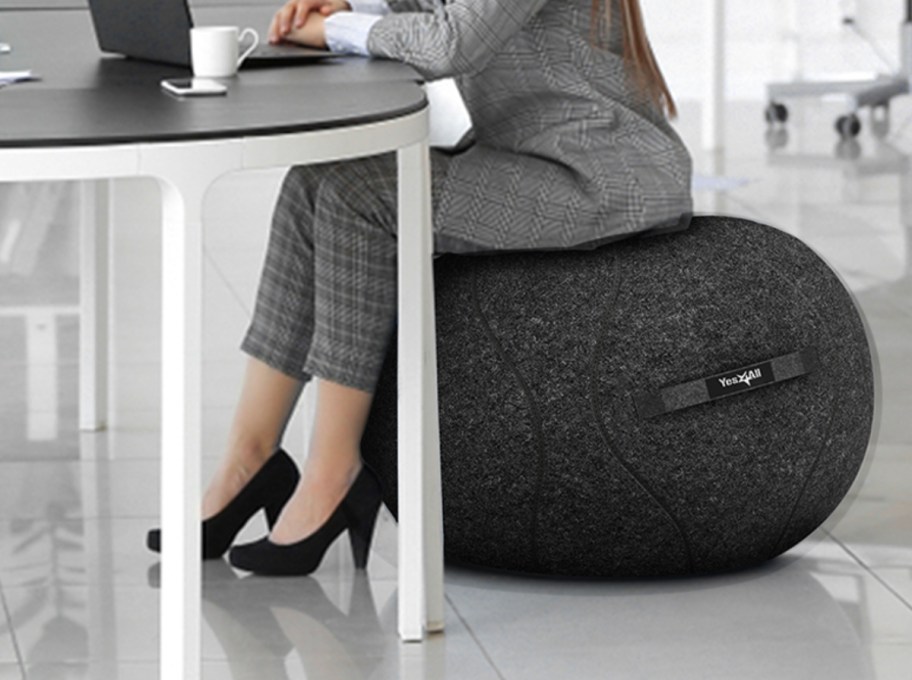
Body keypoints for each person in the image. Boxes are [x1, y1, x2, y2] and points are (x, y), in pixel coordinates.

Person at [147, 0, 693, 575]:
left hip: (603, 180)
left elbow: (450, 43)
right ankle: (249, 459)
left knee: (361, 195)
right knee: (312, 180)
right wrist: (351, 8)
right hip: (536, 157)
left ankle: (336, 473)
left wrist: (331, 29)